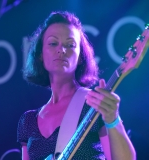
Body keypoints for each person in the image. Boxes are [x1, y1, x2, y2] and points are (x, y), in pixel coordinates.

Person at [17, 11, 136, 160]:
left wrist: (113, 118)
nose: (61, 50)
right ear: (40, 54)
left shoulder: (93, 103)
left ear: (80, 57)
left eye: (70, 45)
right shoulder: (28, 121)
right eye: (53, 43)